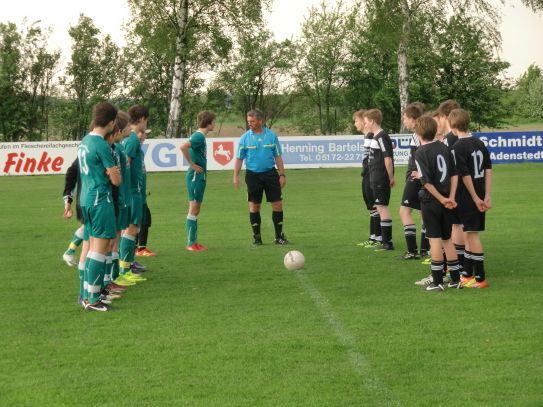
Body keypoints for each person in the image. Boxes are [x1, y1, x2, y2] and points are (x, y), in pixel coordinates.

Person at [78, 102, 121, 311]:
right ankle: (93, 300)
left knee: (92, 247)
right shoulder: (101, 144)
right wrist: (114, 172)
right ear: (111, 122)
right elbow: (116, 180)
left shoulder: (84, 141)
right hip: (100, 200)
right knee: (99, 250)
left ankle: (87, 295)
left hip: (86, 199)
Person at [413, 115, 463, 291]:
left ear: (418, 133)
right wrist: (451, 197)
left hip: (432, 201)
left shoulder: (420, 152)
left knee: (434, 240)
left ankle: (437, 281)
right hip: (448, 200)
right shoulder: (444, 147)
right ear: (435, 130)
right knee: (447, 240)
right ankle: (456, 280)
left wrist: (442, 199)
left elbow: (426, 181)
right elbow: (455, 174)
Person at [449, 108, 492, 288]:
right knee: (468, 233)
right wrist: (486, 195)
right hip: (480, 192)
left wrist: (475, 198)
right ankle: (467, 274)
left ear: (453, 126)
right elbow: (488, 169)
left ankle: (480, 279)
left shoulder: (457, 147)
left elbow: (465, 175)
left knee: (472, 235)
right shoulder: (479, 143)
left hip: (468, 195)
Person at [233, 109, 289, 245]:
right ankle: (257, 238)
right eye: (248, 121)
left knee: (277, 204)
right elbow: (239, 159)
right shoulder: (244, 138)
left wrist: (282, 174)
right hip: (253, 176)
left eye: (252, 121)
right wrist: (235, 176)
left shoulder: (271, 136)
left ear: (260, 121)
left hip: (270, 174)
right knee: (254, 206)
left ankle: (279, 237)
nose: (249, 123)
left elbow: (278, 156)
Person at [119, 105, 149, 281]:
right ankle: (125, 270)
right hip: (132, 191)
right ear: (142, 119)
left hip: (133, 190)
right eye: (147, 121)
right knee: (131, 229)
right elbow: (126, 164)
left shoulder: (130, 138)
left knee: (131, 229)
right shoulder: (132, 139)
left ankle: (128, 264)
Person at [180, 111, 216, 251]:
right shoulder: (199, 136)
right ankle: (191, 243)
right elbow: (183, 146)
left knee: (196, 208)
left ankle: (193, 242)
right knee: (194, 208)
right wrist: (192, 164)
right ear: (208, 123)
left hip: (200, 175)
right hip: (196, 175)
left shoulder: (200, 136)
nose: (214, 124)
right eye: (213, 122)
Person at [398, 103, 429, 260]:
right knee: (422, 212)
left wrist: (419, 173)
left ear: (413, 119)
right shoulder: (419, 133)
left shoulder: (419, 134)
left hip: (415, 177)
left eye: (405, 118)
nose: (404, 121)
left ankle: (412, 251)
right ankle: (424, 249)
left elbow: (423, 156)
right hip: (418, 177)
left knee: (404, 211)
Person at [364, 109, 395, 251]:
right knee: (379, 208)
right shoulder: (376, 137)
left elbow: (388, 159)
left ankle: (387, 242)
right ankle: (384, 241)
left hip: (380, 178)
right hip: (374, 178)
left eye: (366, 122)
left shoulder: (382, 136)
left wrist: (390, 177)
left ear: (372, 121)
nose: (365, 125)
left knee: (382, 208)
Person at [353, 109, 382, 248]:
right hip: (367, 174)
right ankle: (373, 237)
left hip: (371, 175)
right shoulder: (367, 136)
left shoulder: (371, 136)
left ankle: (379, 237)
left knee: (374, 206)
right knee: (371, 207)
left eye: (356, 121)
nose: (355, 124)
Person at [136, 128, 157, 257]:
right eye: (144, 134)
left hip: (139, 191)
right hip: (136, 193)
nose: (146, 137)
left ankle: (137, 248)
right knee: (143, 218)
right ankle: (140, 249)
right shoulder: (133, 150)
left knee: (141, 219)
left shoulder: (139, 151)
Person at [62, 159, 84, 267]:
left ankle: (70, 252)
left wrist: (68, 201)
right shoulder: (89, 152)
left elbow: (71, 173)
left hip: (87, 199)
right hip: (92, 199)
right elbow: (71, 173)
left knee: (89, 230)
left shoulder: (83, 153)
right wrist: (67, 200)